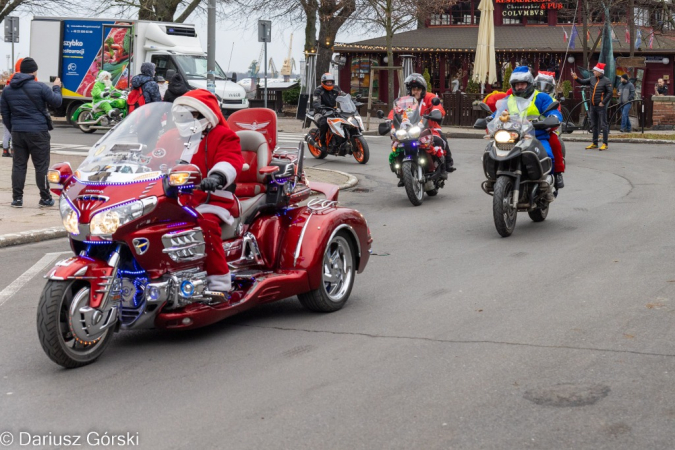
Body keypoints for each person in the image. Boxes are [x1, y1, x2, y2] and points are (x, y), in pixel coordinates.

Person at [172, 89, 244, 293]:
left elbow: (231, 159)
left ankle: (219, 283)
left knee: (205, 227)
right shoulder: (171, 136)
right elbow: (154, 155)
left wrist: (217, 176)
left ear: (206, 115)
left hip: (210, 201)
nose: (185, 120)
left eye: (191, 115)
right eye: (182, 115)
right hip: (172, 200)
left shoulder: (224, 135)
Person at [0, 57, 62, 208]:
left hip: (18, 132)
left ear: (20, 70)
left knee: (19, 165)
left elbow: (5, 115)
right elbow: (57, 102)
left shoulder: (7, 90)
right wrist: (56, 87)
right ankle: (45, 198)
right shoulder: (40, 87)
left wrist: (14, 127)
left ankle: (17, 199)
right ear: (34, 71)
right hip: (38, 132)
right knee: (41, 166)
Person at [495, 66, 562, 200]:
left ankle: (548, 184)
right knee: (491, 151)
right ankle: (497, 179)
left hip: (536, 136)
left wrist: (553, 118)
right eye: (516, 84)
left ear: (529, 83)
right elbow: (497, 114)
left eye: (522, 84)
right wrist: (489, 119)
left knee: (548, 154)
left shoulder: (541, 97)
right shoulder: (509, 99)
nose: (519, 87)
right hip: (512, 137)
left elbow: (554, 111)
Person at [534, 71, 565, 188]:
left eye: (546, 87)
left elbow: (556, 114)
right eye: (539, 85)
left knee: (555, 143)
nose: (542, 89)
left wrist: (552, 121)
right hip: (524, 130)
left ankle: (557, 173)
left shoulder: (552, 101)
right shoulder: (530, 97)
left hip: (546, 130)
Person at [571, 63, 612, 151]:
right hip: (593, 106)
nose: (593, 72)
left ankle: (605, 143)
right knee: (594, 124)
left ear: (599, 72)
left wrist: (603, 102)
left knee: (603, 125)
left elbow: (610, 93)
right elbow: (582, 81)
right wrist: (575, 77)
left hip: (601, 106)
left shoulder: (606, 80)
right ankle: (595, 143)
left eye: (595, 71)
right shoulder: (592, 79)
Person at [312, 73, 343, 150]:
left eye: (330, 82)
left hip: (333, 111)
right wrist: (322, 109)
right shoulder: (318, 90)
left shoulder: (336, 89)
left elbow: (344, 95)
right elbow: (316, 102)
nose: (329, 84)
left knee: (345, 120)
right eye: (327, 82)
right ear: (323, 82)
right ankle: (321, 142)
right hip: (320, 112)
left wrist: (353, 101)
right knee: (324, 123)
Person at [1, 58, 24, 157]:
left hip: (7, 111)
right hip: (16, 112)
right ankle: (14, 150)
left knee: (7, 132)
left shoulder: (8, 85)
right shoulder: (23, 80)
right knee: (15, 133)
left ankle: (5, 151)